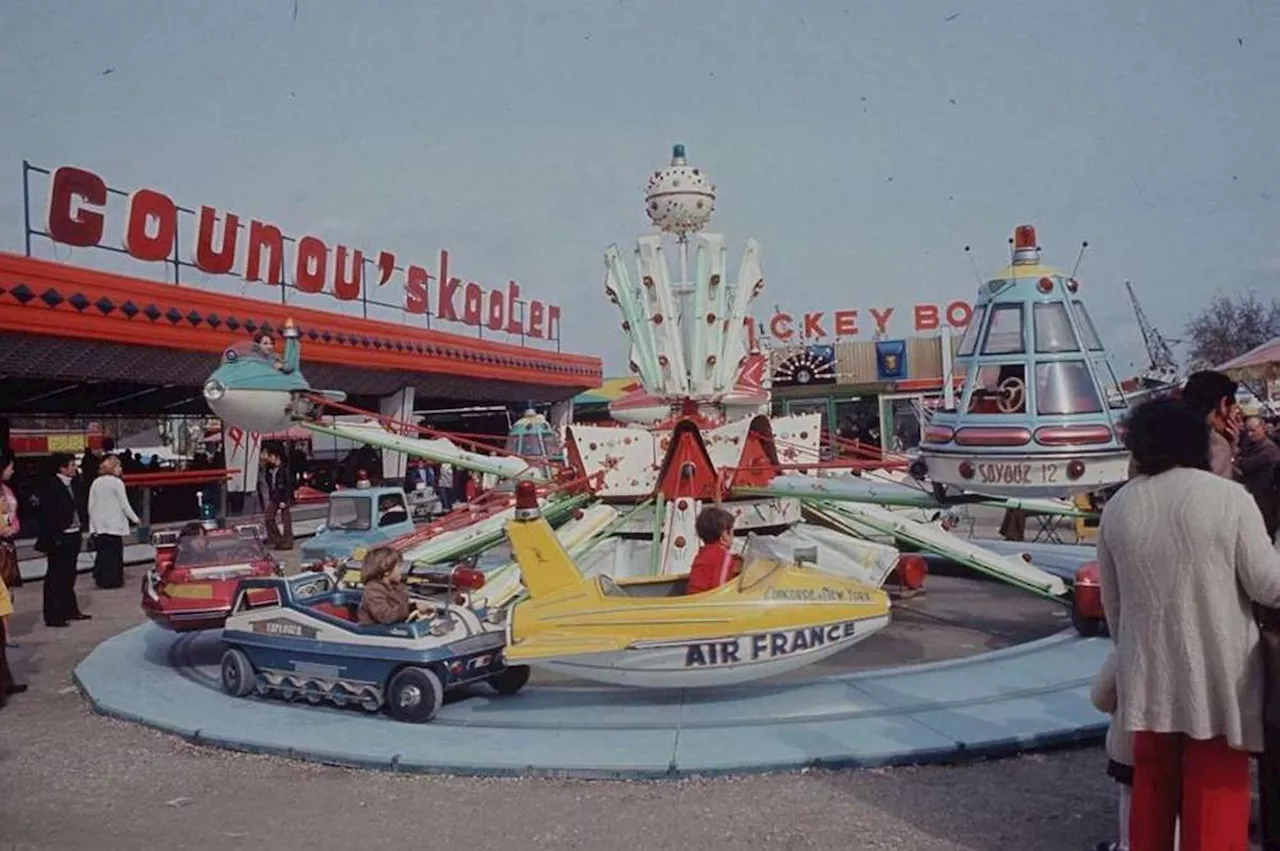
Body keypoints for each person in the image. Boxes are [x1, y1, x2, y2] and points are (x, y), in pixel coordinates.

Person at [1097, 397, 1280, 850]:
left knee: (1150, 798)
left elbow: (1113, 606)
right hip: (1219, 681)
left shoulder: (1119, 507)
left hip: (1147, 679)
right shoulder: (1227, 498)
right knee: (1215, 800)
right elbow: (1266, 584)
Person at [35, 453, 89, 627]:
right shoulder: (51, 487)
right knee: (55, 577)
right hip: (59, 537)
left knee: (69, 575)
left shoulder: (75, 484)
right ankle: (53, 615)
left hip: (74, 533)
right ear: (62, 468)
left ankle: (70, 610)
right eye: (72, 465)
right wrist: (55, 537)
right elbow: (46, 516)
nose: (75, 468)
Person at [87, 455, 140, 589]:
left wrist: (92, 526)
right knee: (115, 554)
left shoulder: (96, 482)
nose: (121, 469)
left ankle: (102, 579)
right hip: (114, 524)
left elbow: (91, 505)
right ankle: (114, 580)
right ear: (113, 468)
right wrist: (135, 518)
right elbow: (124, 504)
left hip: (100, 524)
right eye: (118, 466)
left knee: (103, 554)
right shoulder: (117, 483)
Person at [1182, 369, 1242, 479]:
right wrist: (1229, 451)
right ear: (1223, 405)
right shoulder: (1215, 443)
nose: (1238, 419)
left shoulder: (1169, 435)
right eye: (1235, 410)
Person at [356, 547, 432, 626]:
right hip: (375, 631)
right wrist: (410, 608)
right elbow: (385, 616)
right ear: (386, 571)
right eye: (399, 566)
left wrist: (417, 609)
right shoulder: (373, 590)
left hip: (396, 628)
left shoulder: (398, 587)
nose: (401, 570)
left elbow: (401, 610)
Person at [1237, 416, 1280, 542]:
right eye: (1247, 431)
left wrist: (1238, 460)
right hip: (1256, 494)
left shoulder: (1269, 448)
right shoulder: (1251, 445)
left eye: (1253, 430)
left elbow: (1246, 465)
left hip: (1267, 496)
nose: (1250, 434)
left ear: (1263, 428)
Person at [686, 507, 744, 595]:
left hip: (694, 600)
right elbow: (720, 589)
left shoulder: (702, 553)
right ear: (724, 535)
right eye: (732, 533)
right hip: (708, 604)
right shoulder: (724, 555)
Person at [257, 444, 293, 550]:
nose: (269, 458)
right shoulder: (271, 469)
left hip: (282, 497)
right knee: (269, 517)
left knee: (286, 520)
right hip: (275, 496)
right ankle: (277, 538)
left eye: (270, 456)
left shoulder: (284, 469)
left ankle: (287, 541)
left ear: (276, 456)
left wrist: (284, 499)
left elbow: (287, 485)